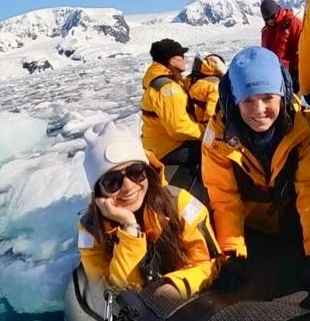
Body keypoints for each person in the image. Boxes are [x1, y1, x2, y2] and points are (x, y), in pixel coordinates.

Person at [201, 46, 310, 287]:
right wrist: (231, 253)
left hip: (293, 222)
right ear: (234, 100)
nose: (259, 110)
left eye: (267, 97)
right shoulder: (218, 138)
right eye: (248, 100)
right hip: (249, 230)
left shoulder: (302, 129)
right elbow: (224, 198)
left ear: (283, 94)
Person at [77, 121, 220, 301]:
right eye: (112, 181)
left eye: (135, 172)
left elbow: (209, 262)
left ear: (147, 171)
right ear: (99, 191)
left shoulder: (181, 205)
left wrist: (174, 286)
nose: (128, 187)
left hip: (188, 305)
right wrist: (129, 228)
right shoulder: (91, 229)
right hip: (137, 320)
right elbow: (109, 292)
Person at [140, 38, 203, 188]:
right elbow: (178, 128)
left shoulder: (159, 81)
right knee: (214, 150)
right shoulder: (168, 88)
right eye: (181, 55)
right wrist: (204, 130)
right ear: (171, 60)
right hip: (168, 147)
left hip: (156, 144)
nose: (185, 59)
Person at [260, 0, 302, 93]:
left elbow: (302, 48)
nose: (270, 20)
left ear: (277, 11)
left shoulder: (293, 23)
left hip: (292, 74)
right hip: (273, 76)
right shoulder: (266, 32)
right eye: (267, 19)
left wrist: (298, 71)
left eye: (272, 16)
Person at [184, 53, 227, 128]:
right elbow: (212, 112)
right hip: (204, 127)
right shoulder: (215, 85)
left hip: (189, 123)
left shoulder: (190, 79)